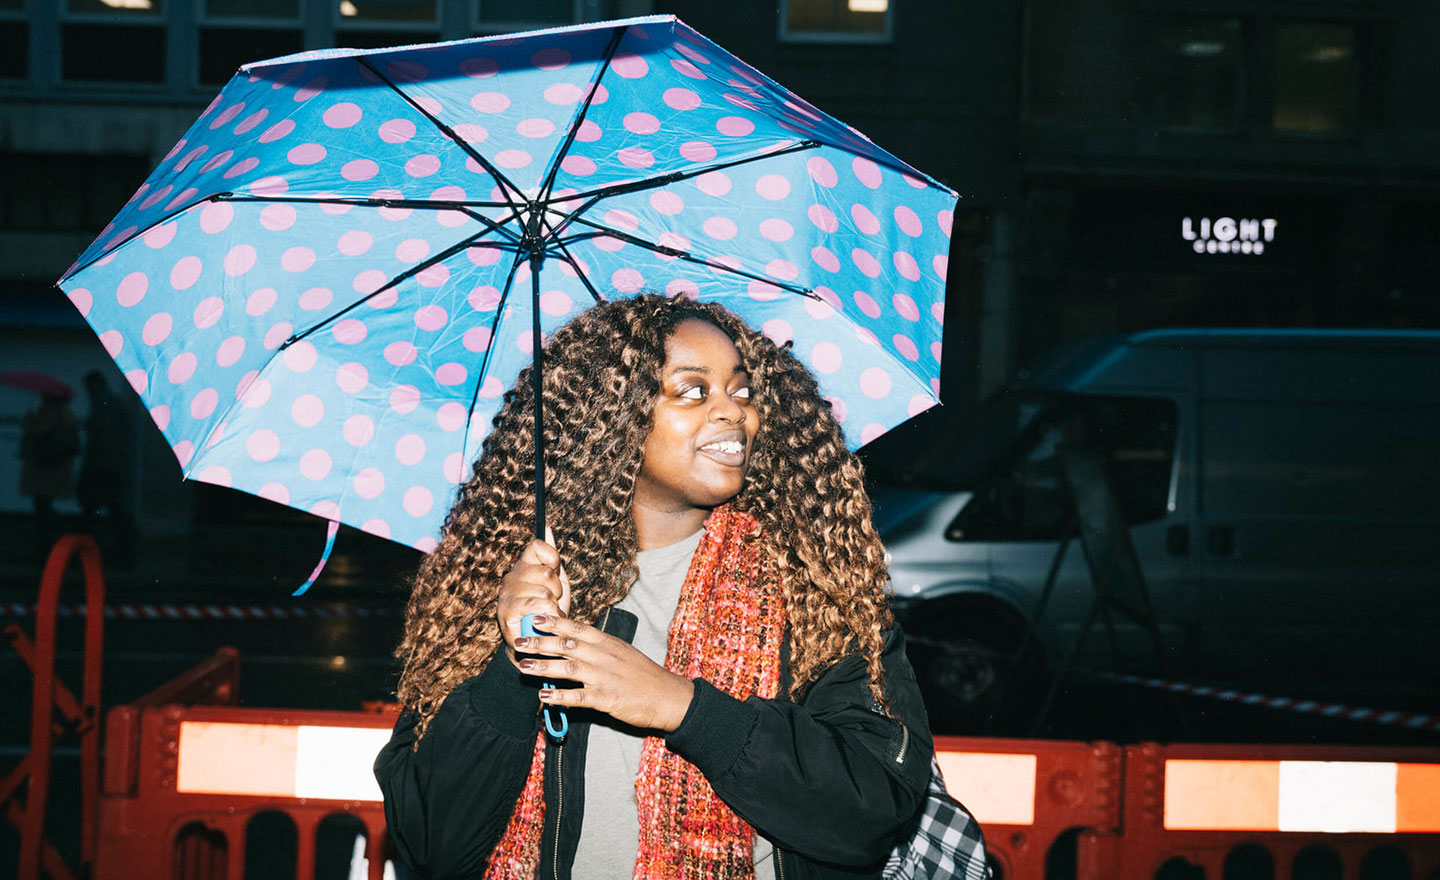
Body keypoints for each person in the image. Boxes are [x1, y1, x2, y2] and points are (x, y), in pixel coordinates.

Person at [375, 294, 933, 880]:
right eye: (693, 391)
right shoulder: (509, 584)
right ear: (611, 416)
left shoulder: (813, 591)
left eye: (741, 391)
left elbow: (872, 805)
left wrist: (682, 707)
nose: (732, 412)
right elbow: (431, 842)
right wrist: (513, 663)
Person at [76, 370, 137, 568]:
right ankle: (119, 551)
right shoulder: (112, 403)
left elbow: (105, 440)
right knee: (111, 509)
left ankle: (97, 553)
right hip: (109, 468)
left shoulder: (104, 405)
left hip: (103, 468)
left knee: (101, 509)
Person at [19, 392, 80, 563]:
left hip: (44, 470)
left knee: (43, 510)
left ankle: (47, 549)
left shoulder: (51, 414)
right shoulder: (68, 415)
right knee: (46, 508)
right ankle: (55, 544)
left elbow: (38, 433)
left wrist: (29, 423)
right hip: (56, 469)